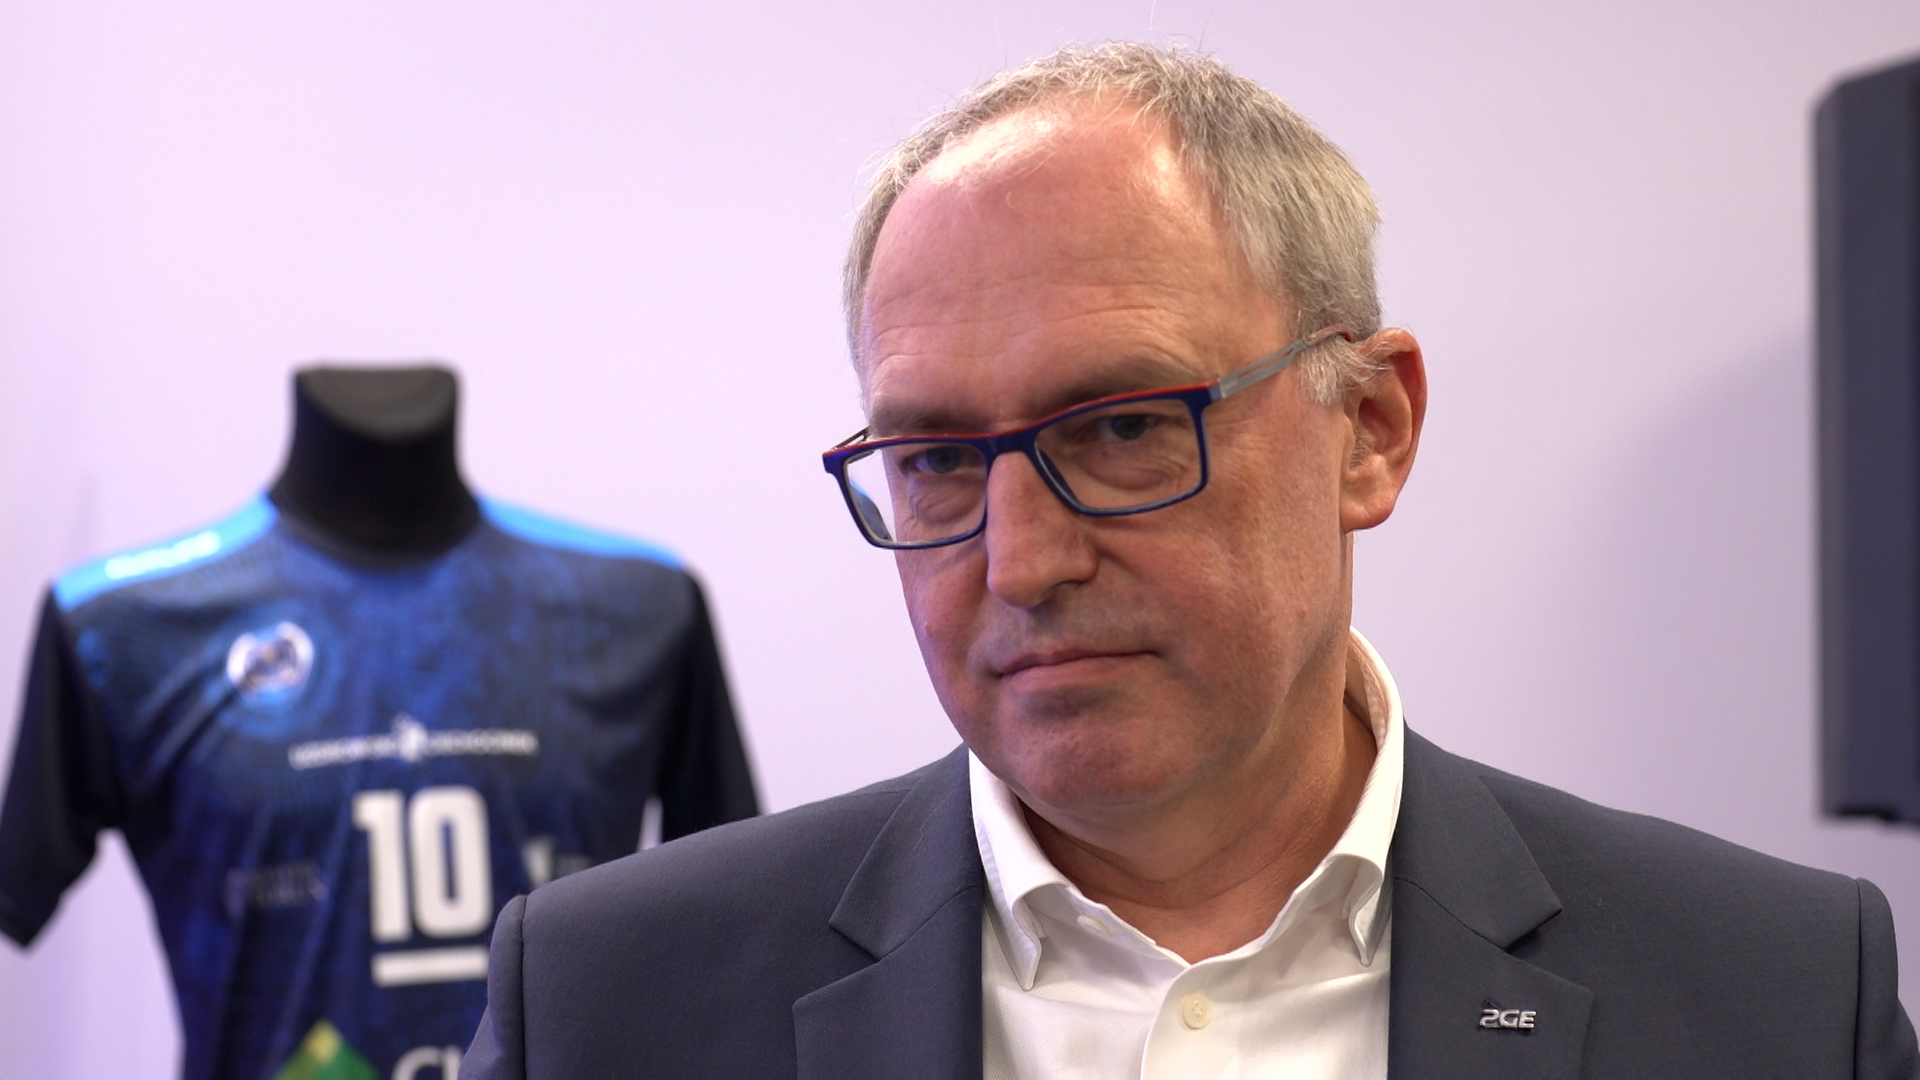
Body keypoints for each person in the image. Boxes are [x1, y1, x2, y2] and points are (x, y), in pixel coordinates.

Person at [461, 43, 1918, 1078]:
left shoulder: (1777, 995)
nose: (1022, 562)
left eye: (1122, 429)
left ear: (1371, 428)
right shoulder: (606, 1002)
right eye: (939, 459)